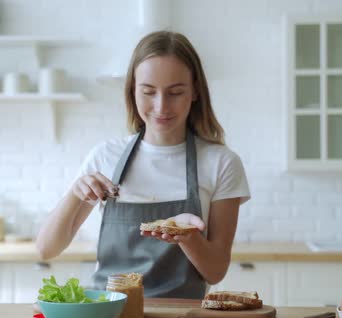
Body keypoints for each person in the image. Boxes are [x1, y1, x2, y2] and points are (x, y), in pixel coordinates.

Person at [36, 30, 250, 299]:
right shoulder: (105, 157)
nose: (161, 107)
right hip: (109, 317)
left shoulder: (222, 163)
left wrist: (185, 235)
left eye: (175, 92)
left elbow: (216, 270)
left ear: (195, 91)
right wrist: (76, 192)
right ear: (132, 90)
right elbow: (46, 249)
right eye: (149, 92)